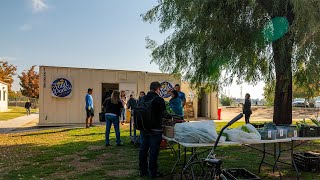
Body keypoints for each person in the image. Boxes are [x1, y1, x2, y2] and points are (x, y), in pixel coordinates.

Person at [139, 81, 170, 178]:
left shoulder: (142, 98)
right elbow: (165, 114)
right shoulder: (159, 99)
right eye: (160, 89)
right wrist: (171, 117)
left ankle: (143, 171)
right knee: (153, 151)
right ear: (158, 89)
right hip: (155, 130)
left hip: (144, 128)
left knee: (143, 150)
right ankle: (153, 172)